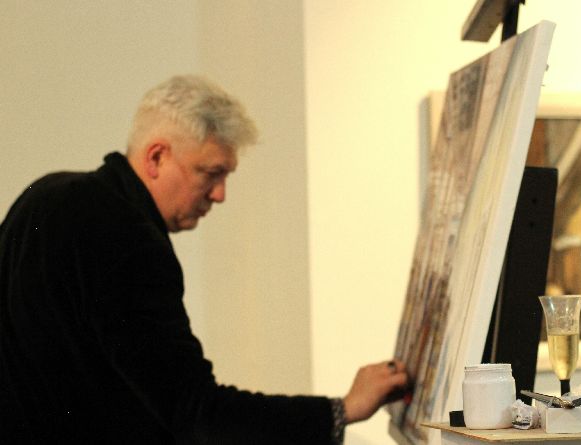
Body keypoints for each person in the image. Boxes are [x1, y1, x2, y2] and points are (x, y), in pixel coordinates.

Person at [0, 75, 408, 444]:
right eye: (210, 173)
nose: (220, 194)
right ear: (156, 157)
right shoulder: (130, 238)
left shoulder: (45, 194)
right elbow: (195, 413)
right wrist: (342, 410)